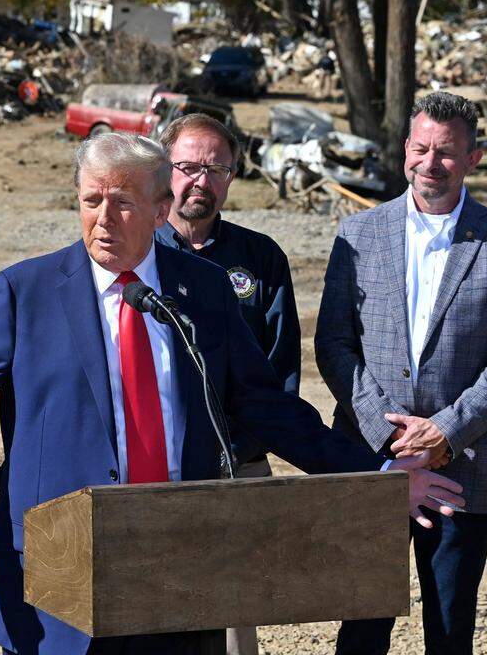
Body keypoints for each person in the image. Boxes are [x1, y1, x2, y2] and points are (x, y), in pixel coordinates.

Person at [0, 132, 465, 655]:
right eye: (90, 200)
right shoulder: (26, 291)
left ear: (162, 209)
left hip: (177, 562)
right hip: (59, 569)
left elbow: (269, 408)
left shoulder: (202, 295)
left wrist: (373, 476)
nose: (103, 218)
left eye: (123, 202)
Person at [315, 91, 487, 655]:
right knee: (361, 627)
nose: (430, 163)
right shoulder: (357, 234)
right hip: (373, 457)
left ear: (474, 158)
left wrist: (444, 432)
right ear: (405, 148)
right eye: (420, 148)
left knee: (450, 626)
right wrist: (387, 433)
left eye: (446, 152)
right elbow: (335, 344)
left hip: (463, 462)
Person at [154, 113, 299, 655]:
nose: (202, 181)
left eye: (217, 169)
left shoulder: (259, 258)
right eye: (189, 167)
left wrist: (249, 448)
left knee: (236, 610)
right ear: (164, 170)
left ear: (233, 176)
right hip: (154, 468)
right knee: (153, 601)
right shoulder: (139, 254)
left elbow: (281, 369)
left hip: (238, 463)